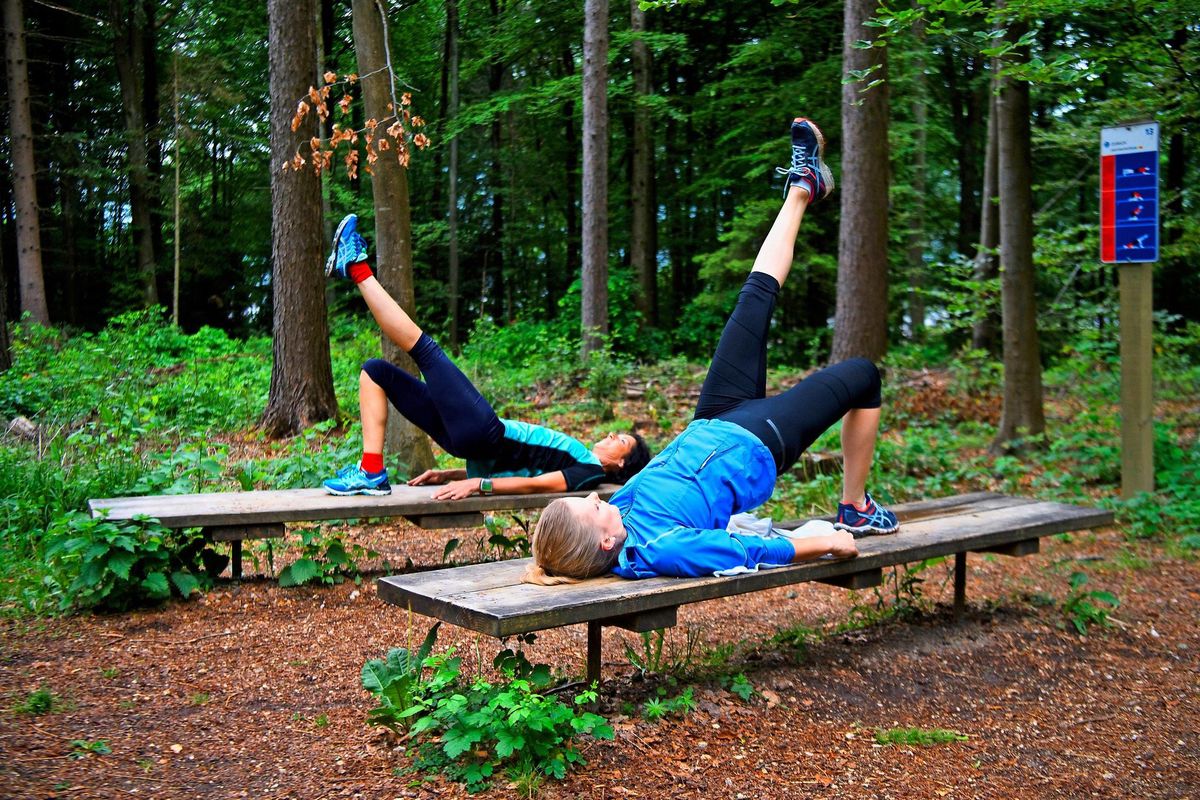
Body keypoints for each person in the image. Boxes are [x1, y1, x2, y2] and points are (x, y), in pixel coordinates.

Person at [524, 117, 899, 584]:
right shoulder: (662, 547)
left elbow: (578, 532)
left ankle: (803, 186)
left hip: (711, 420)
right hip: (753, 445)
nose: (596, 497)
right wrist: (824, 542)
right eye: (592, 508)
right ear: (605, 542)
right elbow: (742, 549)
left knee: (753, 296)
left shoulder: (618, 518)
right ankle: (855, 506)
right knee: (863, 375)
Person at [321, 215, 651, 498]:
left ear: (622, 463)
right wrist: (451, 474)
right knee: (376, 372)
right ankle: (372, 470)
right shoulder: (579, 459)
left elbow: (538, 485)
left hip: (483, 433)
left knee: (424, 349)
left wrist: (478, 485)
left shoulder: (590, 471)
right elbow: (519, 467)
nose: (612, 434)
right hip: (472, 440)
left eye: (621, 440)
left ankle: (356, 265)